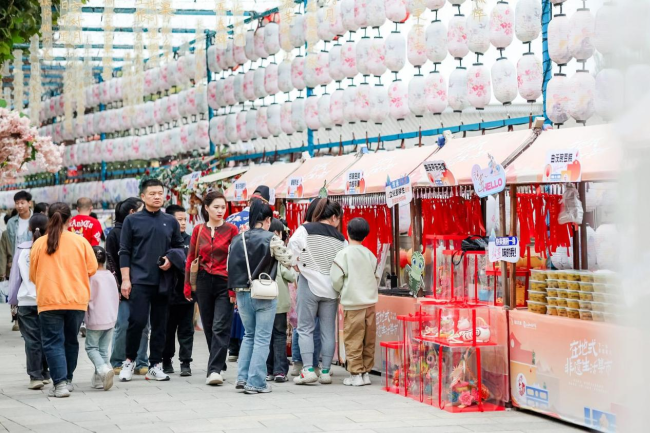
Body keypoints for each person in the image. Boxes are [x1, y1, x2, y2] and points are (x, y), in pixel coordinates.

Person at [118, 179, 184, 382]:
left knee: (160, 324)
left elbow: (180, 248)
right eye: (152, 193)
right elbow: (125, 251)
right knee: (136, 322)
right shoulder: (132, 220)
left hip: (163, 281)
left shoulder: (170, 221)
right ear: (143, 196)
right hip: (139, 280)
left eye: (160, 193)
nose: (157, 196)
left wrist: (170, 260)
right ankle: (129, 361)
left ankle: (155, 364)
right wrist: (125, 280)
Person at [30, 203, 99, 398]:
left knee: (52, 342)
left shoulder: (39, 243)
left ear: (48, 218)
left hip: (49, 299)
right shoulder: (81, 242)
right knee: (70, 341)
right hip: (76, 299)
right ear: (71, 219)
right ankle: (67, 380)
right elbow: (92, 269)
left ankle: (59, 384)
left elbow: (33, 275)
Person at [228, 199, 293, 394]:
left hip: (242, 293)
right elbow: (288, 260)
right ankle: (256, 382)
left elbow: (230, 266)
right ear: (267, 220)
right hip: (263, 293)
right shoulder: (271, 238)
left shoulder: (237, 239)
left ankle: (242, 378)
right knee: (263, 338)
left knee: (248, 335)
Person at [288, 198, 345, 385]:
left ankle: (308, 370)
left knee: (305, 328)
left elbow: (291, 249)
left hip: (309, 283)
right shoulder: (341, 239)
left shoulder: (306, 229)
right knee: (328, 331)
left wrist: (296, 263)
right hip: (331, 288)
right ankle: (326, 372)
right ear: (335, 217)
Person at [185, 191, 239, 385]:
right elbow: (191, 258)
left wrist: (234, 288)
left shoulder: (232, 230)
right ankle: (219, 363)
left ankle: (214, 370)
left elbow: (236, 260)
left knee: (220, 326)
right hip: (203, 281)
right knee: (208, 326)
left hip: (225, 281)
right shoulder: (199, 230)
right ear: (206, 208)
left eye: (223, 207)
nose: (220, 211)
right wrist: (187, 286)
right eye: (216, 207)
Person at [225, 186, 272, 362]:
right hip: (261, 278)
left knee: (244, 324)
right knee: (259, 333)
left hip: (238, 277)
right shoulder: (267, 226)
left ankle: (233, 349)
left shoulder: (231, 219)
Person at [330, 217, 378, 387]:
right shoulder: (370, 254)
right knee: (368, 339)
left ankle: (355, 373)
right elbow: (376, 276)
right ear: (365, 236)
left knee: (353, 339)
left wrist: (343, 289)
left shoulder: (343, 254)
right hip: (370, 304)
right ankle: (365, 372)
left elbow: (336, 279)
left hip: (353, 304)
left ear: (347, 233)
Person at [106, 198, 149, 375]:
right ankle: (117, 360)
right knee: (123, 324)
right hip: (122, 287)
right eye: (142, 209)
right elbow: (111, 262)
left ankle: (141, 361)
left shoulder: (144, 230)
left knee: (144, 326)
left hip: (142, 285)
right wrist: (118, 286)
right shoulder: (115, 234)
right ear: (132, 212)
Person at [7, 213, 50, 390]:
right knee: (47, 338)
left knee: (32, 340)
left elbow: (15, 278)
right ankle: (45, 372)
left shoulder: (23, 250)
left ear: (30, 229)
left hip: (26, 300)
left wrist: (13, 300)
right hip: (47, 300)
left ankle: (35, 376)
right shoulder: (51, 248)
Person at [289, 199, 322, 376]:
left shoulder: (304, 229)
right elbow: (291, 255)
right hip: (308, 282)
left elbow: (291, 255)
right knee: (308, 326)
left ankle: (301, 363)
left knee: (301, 325)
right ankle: (308, 364)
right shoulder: (307, 230)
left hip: (304, 281)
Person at [162, 204, 194, 377]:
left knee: (186, 329)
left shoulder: (191, 240)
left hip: (187, 295)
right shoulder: (163, 240)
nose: (182, 223)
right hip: (167, 294)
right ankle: (166, 360)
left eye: (184, 220)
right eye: (179, 220)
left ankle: (186, 362)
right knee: (167, 329)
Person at [85, 246, 119, 391]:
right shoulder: (111, 275)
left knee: (91, 347)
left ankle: (104, 370)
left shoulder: (90, 277)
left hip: (95, 318)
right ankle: (99, 380)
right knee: (103, 350)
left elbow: (87, 298)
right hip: (110, 317)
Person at [266, 219, 296, 383]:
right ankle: (280, 371)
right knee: (279, 335)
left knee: (266, 335)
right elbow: (290, 276)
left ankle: (268, 370)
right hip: (279, 302)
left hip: (263, 299)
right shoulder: (279, 254)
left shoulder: (261, 250)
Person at [1, 191, 33, 282]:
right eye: (17, 203)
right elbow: (10, 243)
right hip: (16, 264)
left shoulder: (36, 219)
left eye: (22, 203)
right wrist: (10, 260)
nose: (19, 206)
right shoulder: (11, 222)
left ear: (29, 203)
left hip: (31, 262)